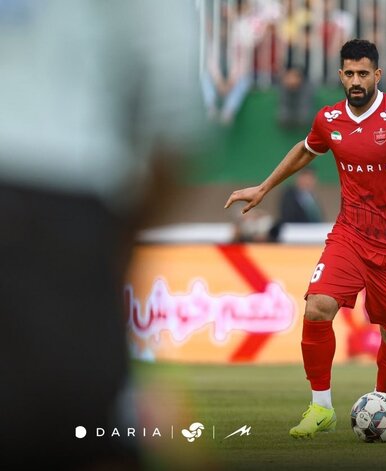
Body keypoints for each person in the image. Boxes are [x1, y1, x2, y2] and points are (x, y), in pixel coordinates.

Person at [224, 39, 386, 439]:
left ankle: (380, 403)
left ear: (377, 75)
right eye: (350, 74)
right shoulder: (329, 119)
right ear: (341, 75)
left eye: (363, 74)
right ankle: (320, 407)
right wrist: (264, 187)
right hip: (350, 234)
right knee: (317, 306)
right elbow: (308, 148)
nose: (356, 81)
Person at [0, 0, 203, 468]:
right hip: (55, 198)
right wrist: (122, 232)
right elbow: (175, 91)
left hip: (50, 207)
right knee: (74, 431)